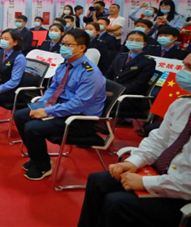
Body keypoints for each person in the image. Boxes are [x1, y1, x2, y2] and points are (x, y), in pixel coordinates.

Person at [77, 54, 191, 227]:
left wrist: (146, 183)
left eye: (190, 68)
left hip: (182, 194)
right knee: (98, 181)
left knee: (117, 203)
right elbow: (158, 141)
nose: (184, 72)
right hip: (163, 173)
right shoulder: (181, 105)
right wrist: (133, 162)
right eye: (185, 66)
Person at [14, 29, 106, 180]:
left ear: (82, 47)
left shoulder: (90, 73)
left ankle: (43, 167)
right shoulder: (64, 65)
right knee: (20, 116)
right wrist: (44, 103)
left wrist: (48, 111)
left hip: (80, 119)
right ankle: (38, 157)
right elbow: (53, 88)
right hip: (62, 108)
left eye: (68, 45)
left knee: (32, 128)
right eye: (63, 44)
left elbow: (78, 104)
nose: (63, 47)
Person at [106, 31, 157, 114]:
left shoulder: (148, 61)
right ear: (126, 41)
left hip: (130, 98)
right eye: (131, 39)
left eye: (138, 40)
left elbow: (138, 84)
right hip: (113, 93)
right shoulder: (120, 57)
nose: (134, 42)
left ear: (144, 44)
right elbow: (108, 75)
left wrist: (115, 92)